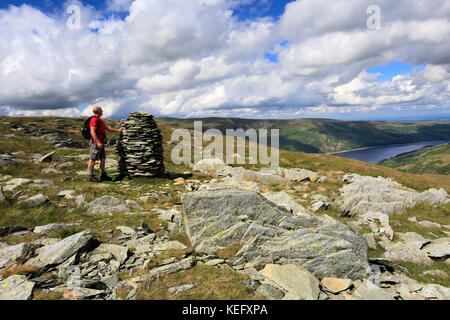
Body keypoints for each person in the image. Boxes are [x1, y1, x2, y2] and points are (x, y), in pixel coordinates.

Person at [87, 105, 123, 182]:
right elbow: (92, 131)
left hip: (100, 143)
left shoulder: (99, 120)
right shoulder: (94, 119)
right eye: (101, 110)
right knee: (92, 159)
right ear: (97, 111)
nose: (102, 111)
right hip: (96, 143)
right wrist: (98, 142)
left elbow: (107, 128)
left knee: (102, 158)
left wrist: (117, 130)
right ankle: (91, 176)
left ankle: (103, 175)